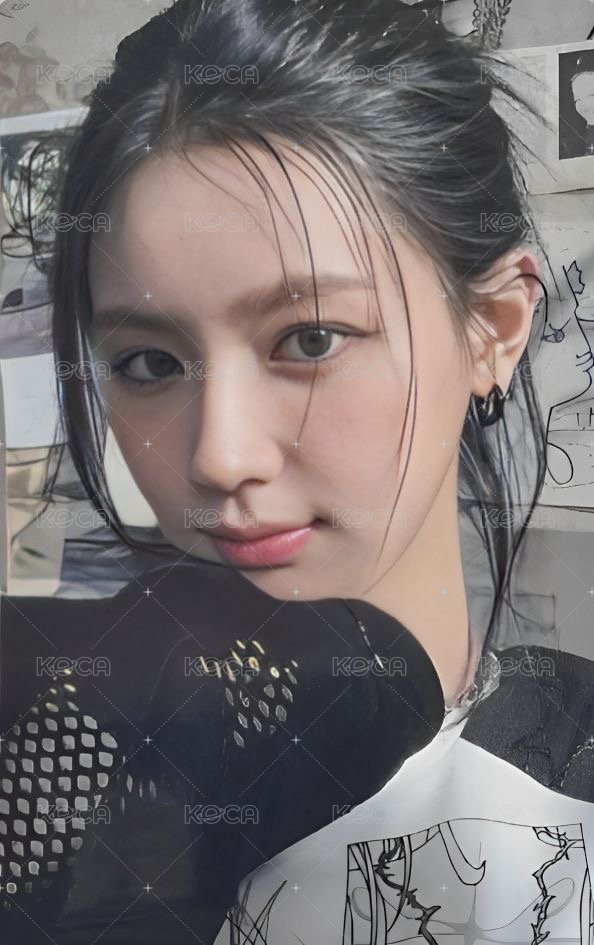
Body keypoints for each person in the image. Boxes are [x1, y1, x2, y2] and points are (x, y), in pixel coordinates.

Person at [0, 0, 592, 942]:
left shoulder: (566, 786)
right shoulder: (59, 756)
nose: (218, 456)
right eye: (149, 362)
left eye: (311, 339)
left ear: (494, 329)